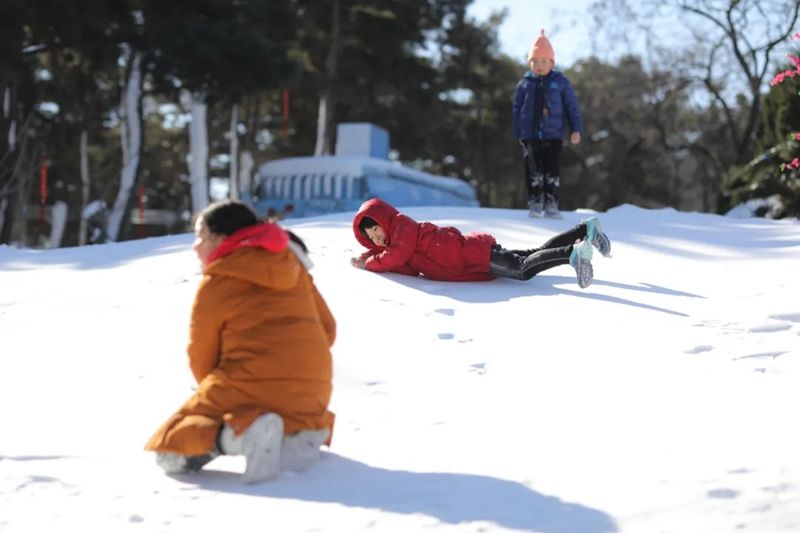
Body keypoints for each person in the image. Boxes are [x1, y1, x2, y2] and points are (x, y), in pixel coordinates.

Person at [144, 199, 336, 484]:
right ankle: (297, 435)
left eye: (201, 237)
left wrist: (216, 400)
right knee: (278, 410)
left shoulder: (218, 280)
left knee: (172, 444)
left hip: (249, 383)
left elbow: (201, 358)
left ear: (222, 238)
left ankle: (241, 437)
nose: (195, 246)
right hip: (314, 392)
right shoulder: (293, 265)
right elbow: (328, 329)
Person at [351, 198, 610, 288]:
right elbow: (404, 266)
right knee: (534, 253)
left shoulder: (402, 226)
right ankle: (584, 230)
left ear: (384, 219)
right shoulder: (396, 242)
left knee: (522, 269)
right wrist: (371, 257)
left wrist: (369, 263)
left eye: (376, 230)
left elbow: (396, 256)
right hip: (471, 260)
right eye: (372, 238)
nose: (377, 238)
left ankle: (572, 254)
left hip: (473, 255)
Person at [512, 29, 584, 219]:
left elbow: (571, 107)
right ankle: (535, 203)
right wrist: (519, 132)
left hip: (554, 135)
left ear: (552, 62)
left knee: (551, 169)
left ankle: (551, 203)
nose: (539, 65)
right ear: (530, 63)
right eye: (535, 61)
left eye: (544, 61)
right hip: (530, 135)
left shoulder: (561, 82)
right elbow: (517, 109)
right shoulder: (525, 84)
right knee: (532, 169)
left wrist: (576, 129)